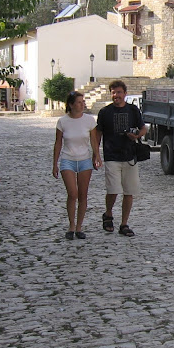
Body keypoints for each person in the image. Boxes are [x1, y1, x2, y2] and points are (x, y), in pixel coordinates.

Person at [95, 80, 147, 237]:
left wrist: (137, 135)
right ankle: (108, 214)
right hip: (111, 155)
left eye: (118, 92)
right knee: (113, 189)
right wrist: (96, 153)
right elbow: (98, 133)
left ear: (125, 93)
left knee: (129, 191)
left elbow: (143, 127)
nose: (116, 95)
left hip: (130, 155)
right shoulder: (105, 112)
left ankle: (124, 224)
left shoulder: (132, 110)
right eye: (113, 92)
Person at [52, 91, 102, 240]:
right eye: (79, 102)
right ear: (71, 105)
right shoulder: (62, 121)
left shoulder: (89, 120)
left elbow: (94, 140)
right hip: (68, 158)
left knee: (82, 194)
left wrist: (97, 155)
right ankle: (71, 224)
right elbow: (58, 143)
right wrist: (55, 163)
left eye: (83, 102)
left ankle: (79, 226)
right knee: (72, 193)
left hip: (85, 159)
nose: (82, 104)